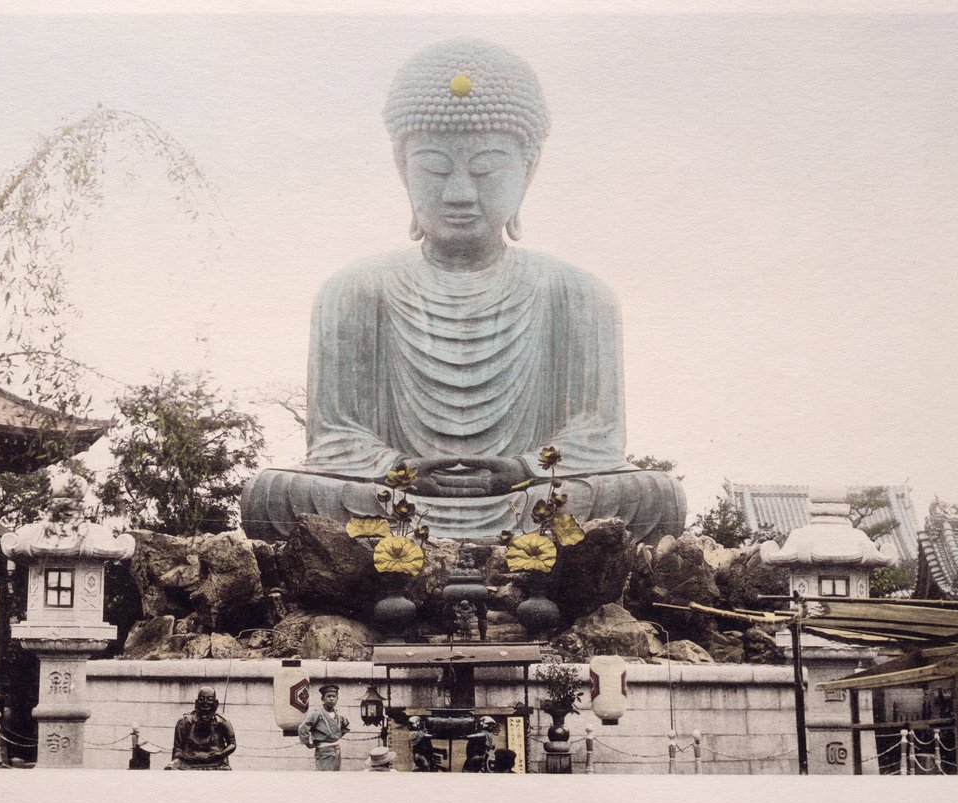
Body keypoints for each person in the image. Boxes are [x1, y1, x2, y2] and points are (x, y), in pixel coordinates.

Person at [241, 39, 685, 545]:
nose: (459, 193)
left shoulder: (578, 294)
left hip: (528, 495)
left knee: (655, 497)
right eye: (433, 167)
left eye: (486, 169)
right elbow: (336, 439)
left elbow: (595, 438)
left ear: (529, 168)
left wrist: (521, 468)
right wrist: (399, 468)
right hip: (397, 495)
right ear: (400, 167)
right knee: (271, 495)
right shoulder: (355, 290)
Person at [168, 687, 237, 770]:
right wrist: (176, 761)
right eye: (201, 699)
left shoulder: (222, 722)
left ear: (216, 703)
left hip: (215, 763)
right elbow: (178, 749)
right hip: (189, 763)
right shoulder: (185, 722)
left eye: (209, 699)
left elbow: (232, 744)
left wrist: (221, 754)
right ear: (196, 703)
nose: (205, 703)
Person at [298, 684, 350, 770]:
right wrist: (308, 744)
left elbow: (347, 726)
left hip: (336, 750)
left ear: (337, 698)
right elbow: (303, 727)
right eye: (328, 696)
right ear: (323, 699)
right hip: (323, 751)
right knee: (324, 778)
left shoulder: (339, 714)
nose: (331, 699)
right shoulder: (317, 713)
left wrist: (337, 735)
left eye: (334, 696)